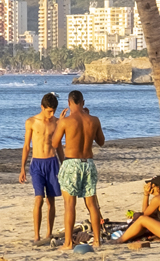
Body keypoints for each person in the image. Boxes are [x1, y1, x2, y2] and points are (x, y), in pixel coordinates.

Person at [55, 90, 105, 250]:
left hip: (71, 163)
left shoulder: (66, 121)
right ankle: (97, 240)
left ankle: (68, 242)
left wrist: (59, 123)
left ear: (69, 104)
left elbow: (55, 143)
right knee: (92, 204)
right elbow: (101, 141)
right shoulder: (94, 120)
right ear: (83, 103)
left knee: (70, 204)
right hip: (88, 163)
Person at [19, 93, 61, 246]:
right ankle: (36, 235)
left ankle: (48, 233)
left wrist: (64, 165)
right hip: (37, 163)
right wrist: (22, 168)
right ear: (42, 107)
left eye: (53, 111)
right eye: (49, 111)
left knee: (51, 201)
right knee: (39, 199)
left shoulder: (57, 122)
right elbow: (26, 146)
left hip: (52, 163)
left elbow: (59, 146)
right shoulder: (31, 122)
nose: (51, 114)